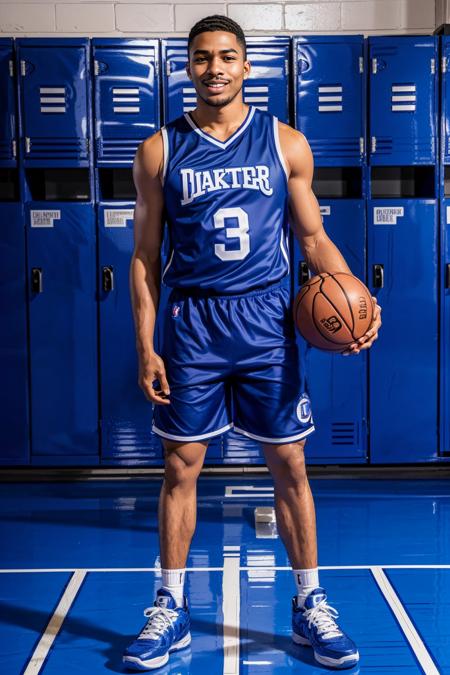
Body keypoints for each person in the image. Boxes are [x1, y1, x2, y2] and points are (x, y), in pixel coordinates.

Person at [124, 14, 382, 672]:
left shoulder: (286, 143)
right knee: (181, 467)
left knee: (290, 468)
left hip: (267, 324)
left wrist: (355, 297)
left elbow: (313, 238)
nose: (216, 67)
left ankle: (309, 604)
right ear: (187, 67)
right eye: (203, 57)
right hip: (194, 326)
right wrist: (146, 344)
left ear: (247, 66)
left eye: (228, 56)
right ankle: (170, 605)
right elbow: (145, 259)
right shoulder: (159, 150)